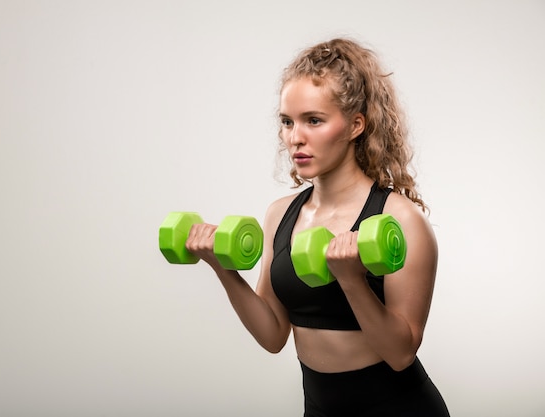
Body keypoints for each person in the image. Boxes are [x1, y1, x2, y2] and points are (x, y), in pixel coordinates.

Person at [185, 37, 450, 416]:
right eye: (287, 122)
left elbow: (401, 352)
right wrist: (221, 266)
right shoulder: (280, 214)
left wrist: (351, 279)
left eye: (314, 120)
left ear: (355, 125)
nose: (295, 137)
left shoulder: (401, 220)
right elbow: (274, 335)